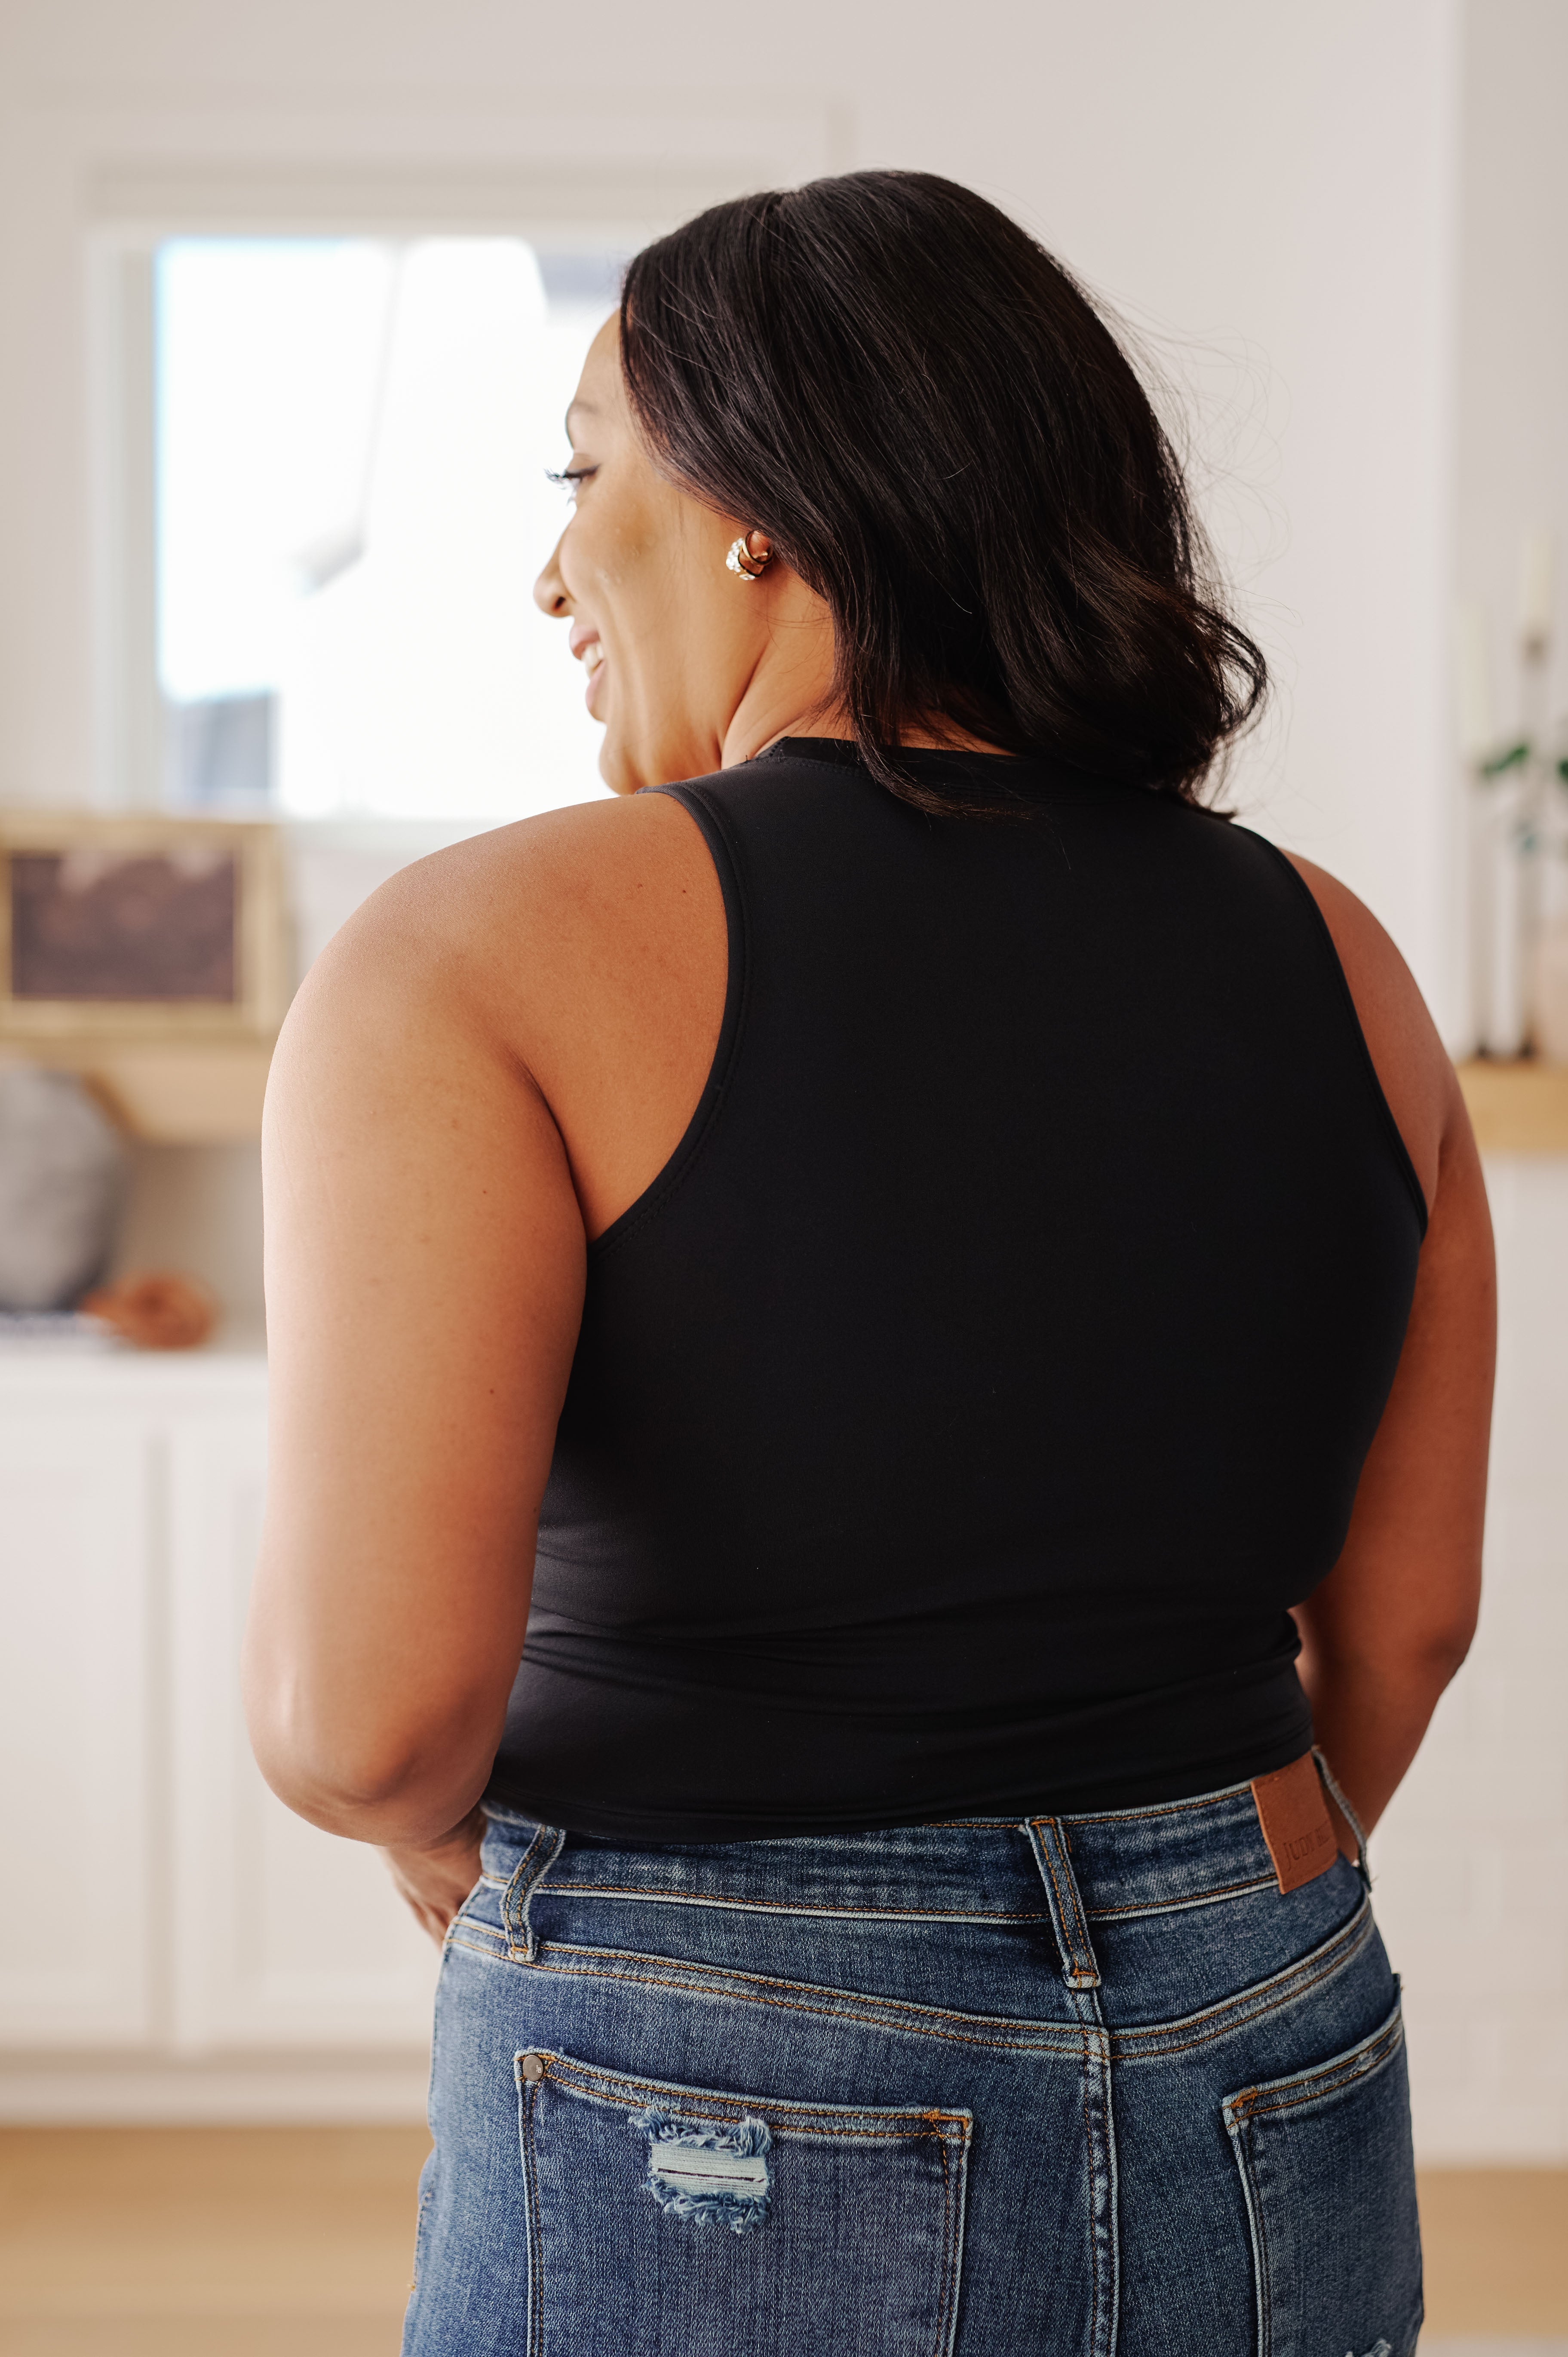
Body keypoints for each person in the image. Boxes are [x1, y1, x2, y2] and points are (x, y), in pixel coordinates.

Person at [244, 171, 1494, 2357]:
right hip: (1273, 2038)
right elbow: (1402, 1629)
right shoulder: (1347, 956)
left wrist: (462, 1850)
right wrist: (1166, 1915)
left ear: (763, 508)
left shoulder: (480, 951)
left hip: (705, 2077)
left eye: (587, 467)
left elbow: (369, 1726)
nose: (553, 566)